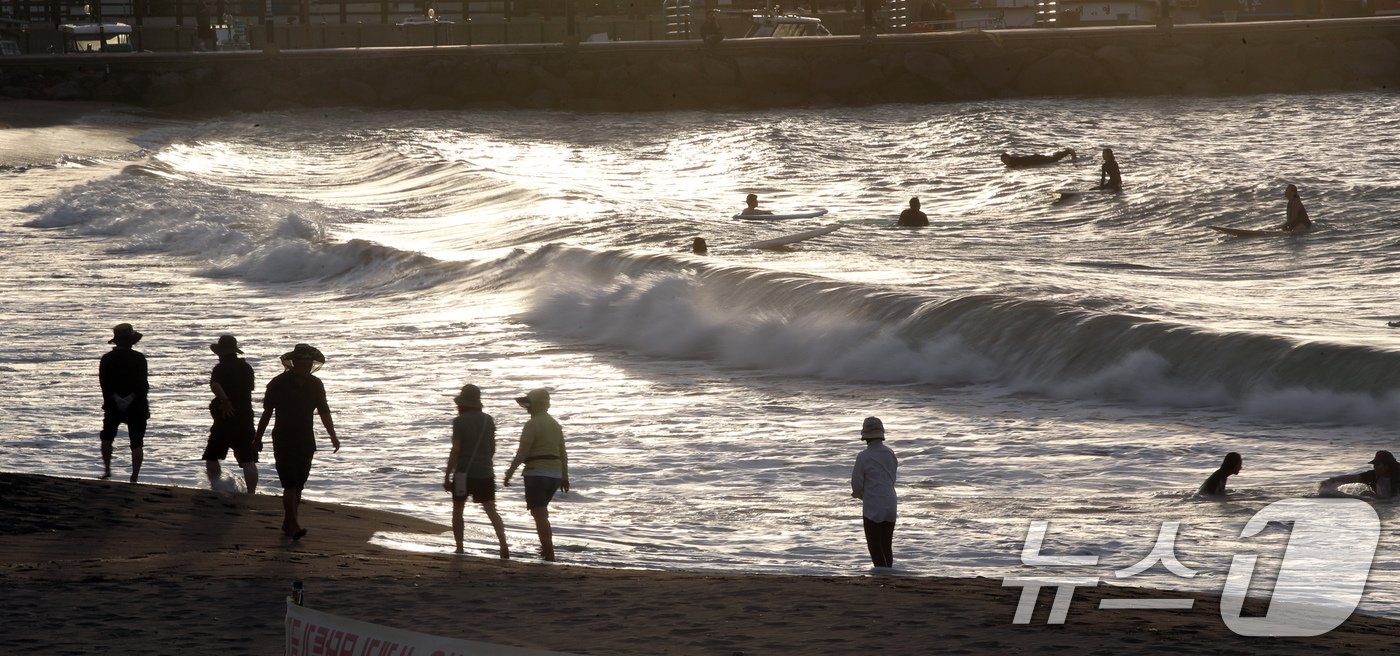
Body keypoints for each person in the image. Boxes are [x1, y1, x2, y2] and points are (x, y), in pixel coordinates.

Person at [255, 343, 340, 540]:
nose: (305, 367)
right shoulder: (277, 383)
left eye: (308, 363)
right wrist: (257, 439)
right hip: (283, 438)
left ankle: (289, 521)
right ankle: (293, 525)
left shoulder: (316, 384)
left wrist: (333, 435)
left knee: (299, 484)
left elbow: (324, 411)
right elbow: (267, 413)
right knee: (290, 484)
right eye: (302, 363)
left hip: (306, 439)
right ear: (293, 363)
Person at [442, 383, 509, 558]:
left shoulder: (459, 421)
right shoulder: (488, 420)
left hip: (463, 473)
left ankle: (460, 547)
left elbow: (456, 450)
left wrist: (447, 475)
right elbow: (492, 447)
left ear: (462, 403)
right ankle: (503, 545)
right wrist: (485, 462)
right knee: (491, 510)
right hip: (485, 472)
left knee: (458, 510)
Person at [503, 388, 569, 561]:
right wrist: (565, 476)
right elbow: (563, 452)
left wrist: (509, 472)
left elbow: (523, 452)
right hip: (555, 475)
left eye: (529, 405)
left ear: (535, 405)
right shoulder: (555, 424)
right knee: (541, 513)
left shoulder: (531, 424)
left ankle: (549, 553)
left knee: (540, 516)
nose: (527, 408)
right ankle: (546, 550)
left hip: (536, 473)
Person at [203, 334, 258, 493]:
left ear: (220, 352)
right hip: (245, 416)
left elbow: (215, 385)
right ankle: (251, 493)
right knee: (248, 459)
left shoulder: (220, 368)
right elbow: (248, 390)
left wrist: (225, 401)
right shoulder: (246, 367)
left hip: (225, 417)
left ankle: (216, 488)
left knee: (212, 455)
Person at [99, 323, 149, 483]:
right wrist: (129, 398)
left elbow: (104, 383)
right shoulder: (139, 358)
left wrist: (116, 398)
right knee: (137, 442)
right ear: (132, 341)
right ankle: (134, 476)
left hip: (112, 404)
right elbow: (143, 385)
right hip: (136, 404)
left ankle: (107, 470)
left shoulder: (107, 358)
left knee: (107, 437)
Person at [851, 416, 898, 568]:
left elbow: (856, 484)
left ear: (865, 436)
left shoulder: (863, 456)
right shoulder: (890, 453)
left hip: (873, 505)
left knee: (874, 544)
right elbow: (892, 477)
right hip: (890, 502)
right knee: (886, 544)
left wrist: (860, 495)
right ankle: (888, 574)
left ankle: (881, 575)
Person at [1320, 450, 1400, 499]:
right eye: (1374, 464)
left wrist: (1376, 497)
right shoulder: (1373, 475)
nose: (1375, 467)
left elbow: (1395, 500)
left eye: (1378, 464)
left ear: (1387, 465)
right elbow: (1354, 478)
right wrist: (1331, 480)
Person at [999, 148, 1076, 168]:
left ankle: (1068, 151)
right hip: (1035, 160)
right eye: (1003, 160)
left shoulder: (1013, 162)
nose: (1004, 161)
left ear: (1009, 158)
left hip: (1036, 159)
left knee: (1053, 160)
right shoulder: (1011, 163)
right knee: (1053, 159)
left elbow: (1020, 165)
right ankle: (1063, 152)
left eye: (1005, 159)